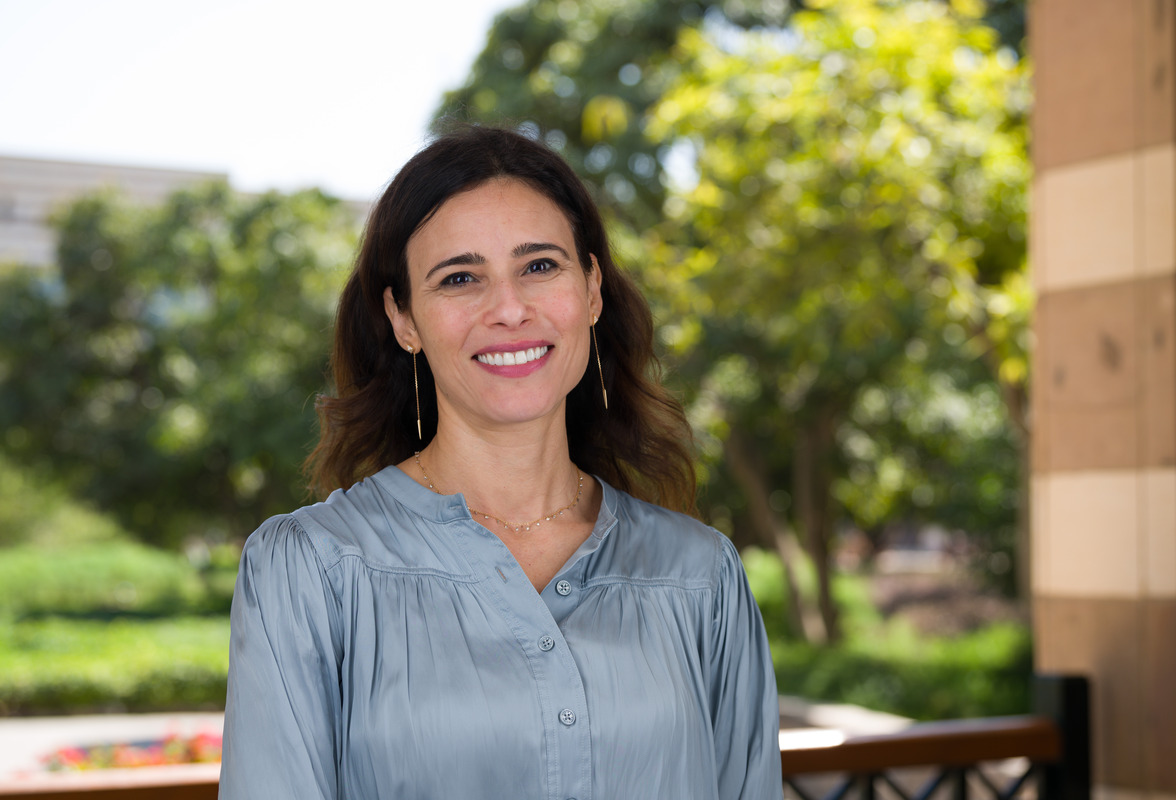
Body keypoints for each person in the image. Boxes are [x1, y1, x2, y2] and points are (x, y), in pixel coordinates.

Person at [219, 124, 781, 799]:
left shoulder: (701, 577)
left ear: (592, 288)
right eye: (460, 278)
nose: (510, 309)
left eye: (540, 265)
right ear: (403, 319)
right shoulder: (310, 573)